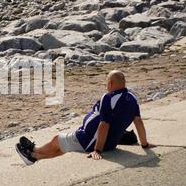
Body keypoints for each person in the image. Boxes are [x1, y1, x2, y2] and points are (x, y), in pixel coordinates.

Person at [15, 70, 156, 165]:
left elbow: (104, 125)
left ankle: (33, 153)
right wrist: (144, 144)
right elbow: (138, 122)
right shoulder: (132, 98)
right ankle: (34, 156)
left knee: (57, 140)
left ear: (111, 83)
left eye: (107, 82)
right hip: (108, 142)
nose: (107, 85)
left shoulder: (109, 98)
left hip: (90, 140)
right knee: (64, 146)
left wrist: (97, 150)